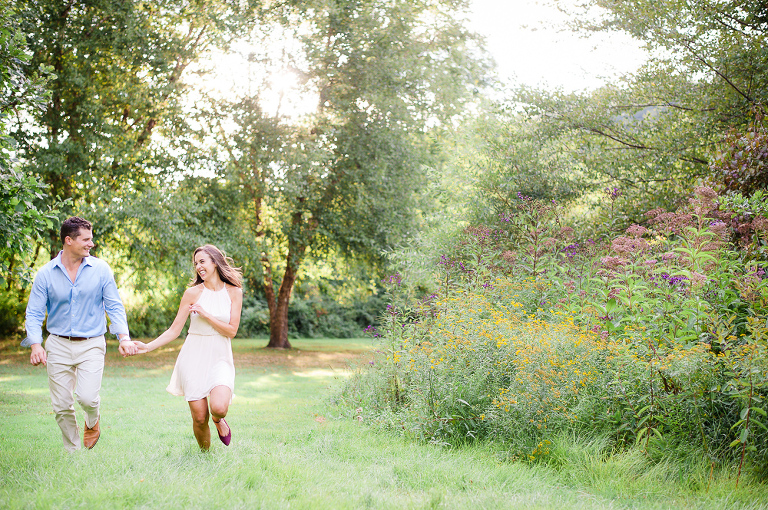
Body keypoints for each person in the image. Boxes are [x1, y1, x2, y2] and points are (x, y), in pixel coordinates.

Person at [24, 216, 137, 452]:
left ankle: (92, 421)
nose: (91, 244)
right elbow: (34, 313)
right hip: (58, 344)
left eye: (91, 239)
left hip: (92, 343)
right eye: (86, 239)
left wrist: (123, 337)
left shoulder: (101, 269)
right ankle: (74, 452)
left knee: (87, 398)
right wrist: (36, 344)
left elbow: (114, 306)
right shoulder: (45, 274)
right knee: (61, 405)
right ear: (68, 240)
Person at [131, 244, 243, 451]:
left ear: (215, 262)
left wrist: (206, 314)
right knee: (200, 417)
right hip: (193, 356)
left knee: (219, 408)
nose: (198, 267)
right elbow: (174, 331)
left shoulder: (234, 293)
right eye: (196, 264)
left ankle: (218, 421)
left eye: (202, 262)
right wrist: (147, 347)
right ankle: (205, 457)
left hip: (219, 356)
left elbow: (231, 331)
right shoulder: (192, 293)